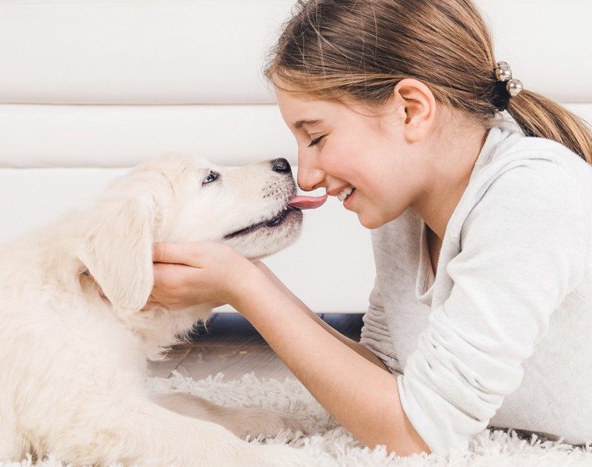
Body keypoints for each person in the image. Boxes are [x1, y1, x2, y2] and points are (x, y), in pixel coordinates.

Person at [150, 0, 592, 456]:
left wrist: (246, 288)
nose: (306, 176)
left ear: (411, 110)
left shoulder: (531, 194)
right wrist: (250, 278)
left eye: (317, 137)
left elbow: (416, 435)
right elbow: (384, 377)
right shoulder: (404, 209)